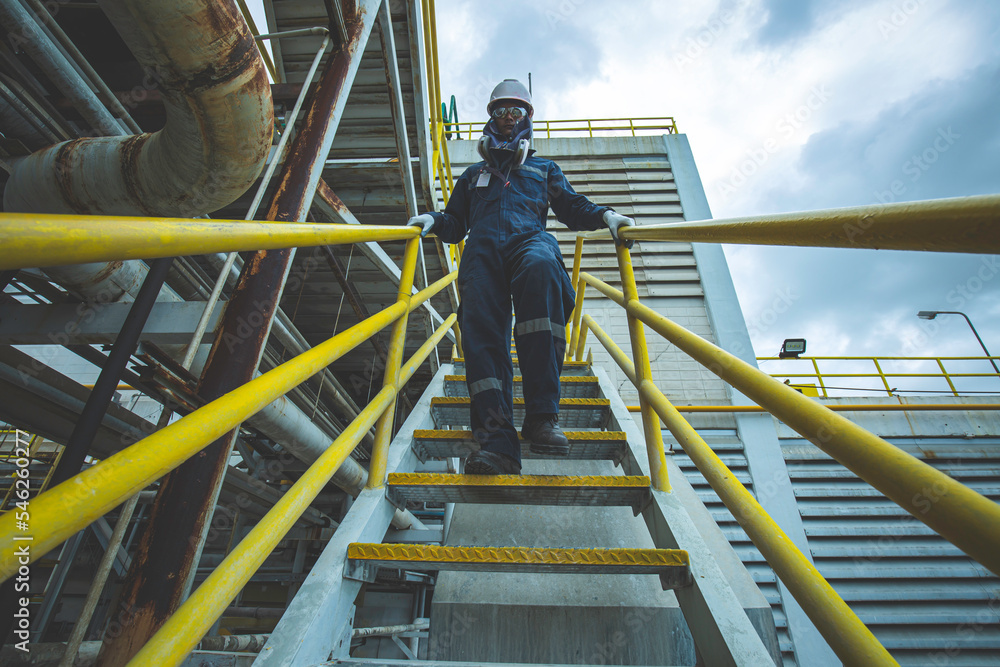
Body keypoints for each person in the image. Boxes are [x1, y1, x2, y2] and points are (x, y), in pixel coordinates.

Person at [408, 79, 635, 475]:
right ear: (491, 119)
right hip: (481, 254)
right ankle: (496, 446)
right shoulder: (472, 174)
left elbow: (572, 207)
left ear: (528, 118)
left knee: (543, 270)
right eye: (500, 111)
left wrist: (606, 216)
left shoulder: (543, 169)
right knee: (482, 340)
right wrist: (432, 219)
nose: (509, 118)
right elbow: (456, 222)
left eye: (517, 111)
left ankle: (542, 418)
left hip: (529, 240)